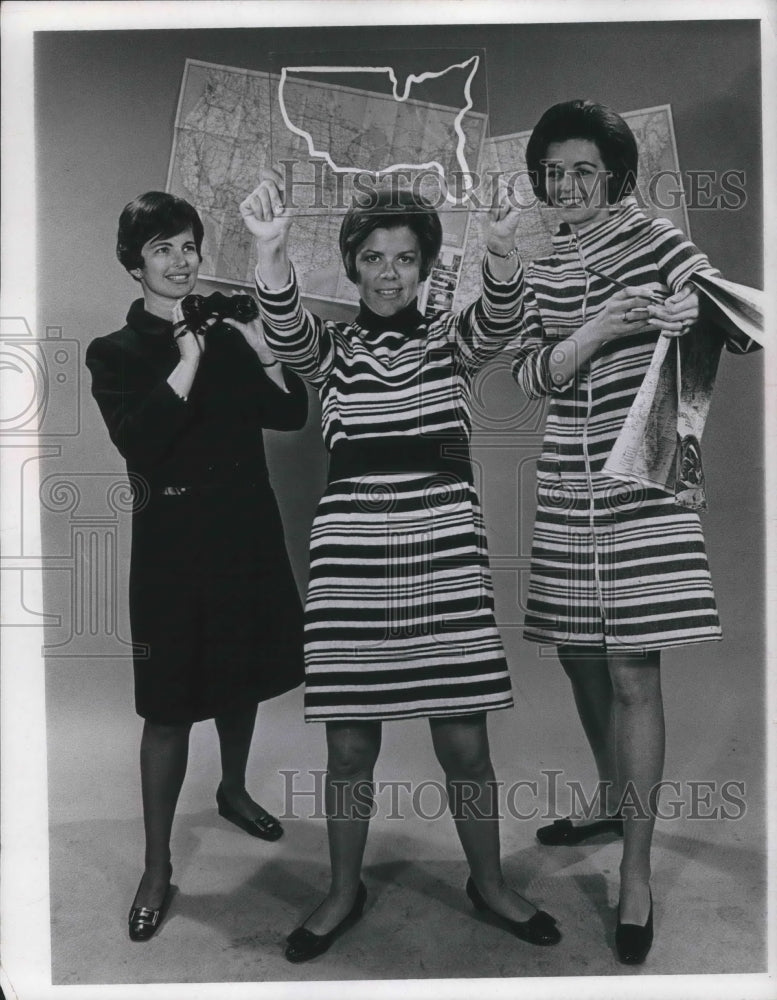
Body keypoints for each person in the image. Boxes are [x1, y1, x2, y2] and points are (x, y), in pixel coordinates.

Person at [238, 170, 562, 962]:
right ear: (351, 265)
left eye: (406, 258)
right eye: (374, 257)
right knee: (349, 747)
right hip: (352, 565)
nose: (389, 273)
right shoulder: (334, 349)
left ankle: (486, 882)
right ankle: (342, 889)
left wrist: (498, 250)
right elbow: (283, 332)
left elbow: (499, 320)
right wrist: (270, 250)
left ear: (423, 266)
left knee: (462, 744)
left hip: (444, 556)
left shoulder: (448, 337)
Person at [510, 100, 757, 964]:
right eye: (552, 171)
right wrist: (602, 326)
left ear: (614, 175)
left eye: (581, 170)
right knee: (580, 652)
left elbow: (740, 317)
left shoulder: (654, 238)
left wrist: (698, 318)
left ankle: (636, 876)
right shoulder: (535, 263)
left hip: (641, 478)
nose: (565, 185)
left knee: (630, 671)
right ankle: (613, 795)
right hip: (563, 485)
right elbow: (532, 375)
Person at [86, 191, 308, 941]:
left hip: (243, 533)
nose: (180, 261)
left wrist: (261, 346)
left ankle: (234, 790)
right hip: (172, 549)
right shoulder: (114, 352)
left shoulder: (223, 328)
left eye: (187, 246)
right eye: (161, 250)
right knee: (169, 708)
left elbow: (288, 416)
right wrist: (186, 361)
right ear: (135, 263)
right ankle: (156, 865)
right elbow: (140, 444)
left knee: (240, 676)